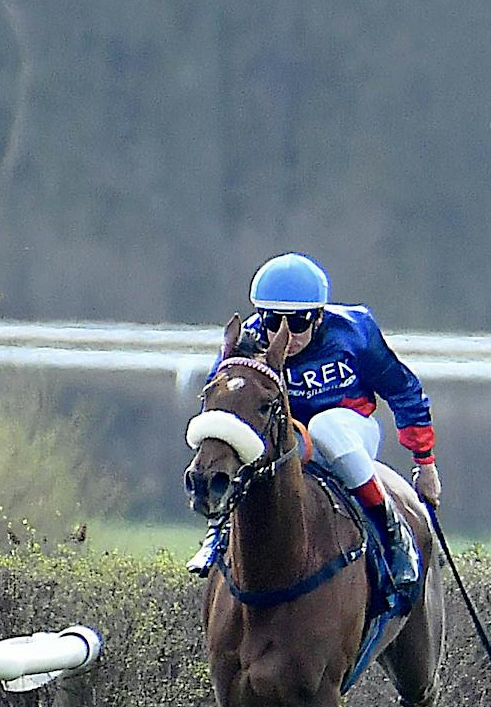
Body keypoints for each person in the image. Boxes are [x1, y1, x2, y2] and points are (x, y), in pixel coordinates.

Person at [189, 253, 440, 590]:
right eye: (273, 321)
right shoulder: (248, 340)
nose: (284, 334)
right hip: (285, 439)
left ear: (319, 317)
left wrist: (425, 464)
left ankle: (391, 533)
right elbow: (221, 401)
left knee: (326, 428)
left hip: (348, 430)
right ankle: (218, 531)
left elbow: (404, 391)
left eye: (298, 323)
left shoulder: (355, 332)